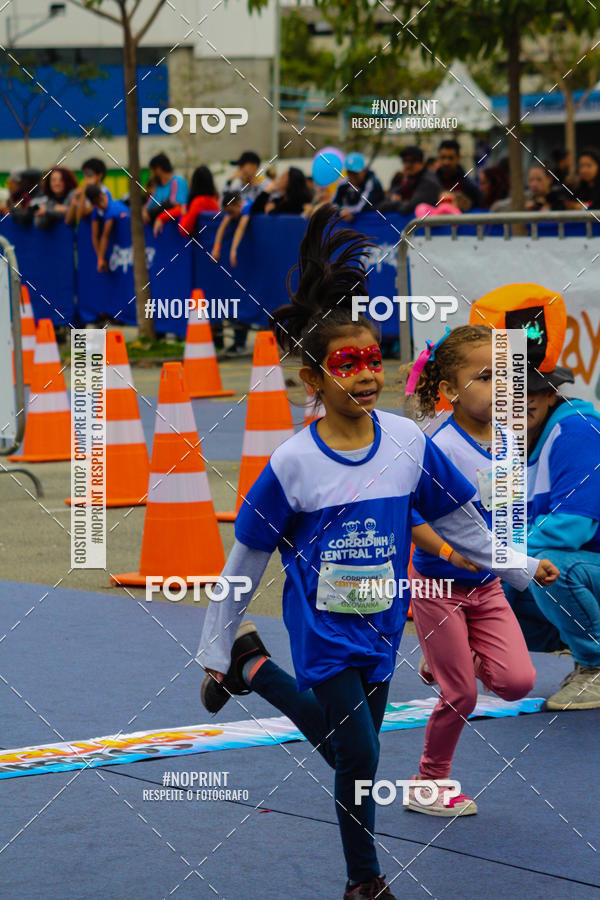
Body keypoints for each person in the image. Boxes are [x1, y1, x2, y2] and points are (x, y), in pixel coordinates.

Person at [196, 204, 559, 897]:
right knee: (359, 753)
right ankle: (365, 883)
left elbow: (459, 519)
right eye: (348, 363)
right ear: (313, 381)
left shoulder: (407, 441)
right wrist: (213, 639)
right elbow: (243, 561)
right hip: (324, 630)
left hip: (383, 624)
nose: (367, 374)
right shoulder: (293, 464)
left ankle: (255, 667)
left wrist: (510, 563)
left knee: (349, 755)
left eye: (374, 358)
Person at [400, 326, 558, 815]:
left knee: (516, 683)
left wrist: (518, 555)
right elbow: (411, 515)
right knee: (461, 695)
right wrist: (450, 555)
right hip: (439, 585)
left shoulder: (510, 439)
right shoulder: (438, 447)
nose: (503, 387)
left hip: (487, 585)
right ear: (449, 391)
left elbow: (508, 512)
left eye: (507, 375)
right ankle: (429, 782)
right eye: (487, 377)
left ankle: (447, 657)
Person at [501, 353, 600, 710]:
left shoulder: (577, 431)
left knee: (550, 565)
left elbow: (571, 529)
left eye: (531, 391)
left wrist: (496, 554)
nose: (518, 401)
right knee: (492, 579)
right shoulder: (510, 442)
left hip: (582, 565)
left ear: (550, 395)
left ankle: (596, 665)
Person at [210, 191, 251, 355]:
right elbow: (223, 226)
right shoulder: (232, 212)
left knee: (245, 301)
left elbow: (241, 228)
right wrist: (217, 248)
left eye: (231, 211)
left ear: (238, 204)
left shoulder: (246, 208)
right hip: (238, 270)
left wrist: (233, 251)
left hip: (247, 264)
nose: (229, 215)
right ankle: (235, 340)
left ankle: (240, 342)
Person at [153, 165, 219, 237]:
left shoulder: (199, 202)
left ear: (194, 183)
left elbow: (184, 230)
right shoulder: (213, 200)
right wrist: (162, 217)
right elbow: (182, 210)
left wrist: (184, 214)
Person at [378, 146, 440, 215]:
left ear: (422, 163)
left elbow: (408, 208)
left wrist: (397, 202)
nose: (407, 165)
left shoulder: (429, 181)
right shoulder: (408, 180)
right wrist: (402, 202)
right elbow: (382, 206)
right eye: (405, 161)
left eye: (412, 161)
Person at [85, 183, 130, 272]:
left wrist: (100, 259)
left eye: (101, 200)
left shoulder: (113, 209)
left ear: (102, 195)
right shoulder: (95, 211)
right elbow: (95, 236)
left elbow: (105, 235)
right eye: (97, 203)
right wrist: (100, 259)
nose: (101, 205)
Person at [332, 152, 384, 221]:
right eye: (349, 172)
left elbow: (364, 206)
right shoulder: (343, 184)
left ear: (364, 170)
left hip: (373, 224)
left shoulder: (372, 183)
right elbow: (334, 204)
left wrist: (347, 211)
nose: (352, 176)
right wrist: (340, 211)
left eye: (355, 173)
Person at [435, 139, 482, 210]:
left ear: (458, 158)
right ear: (438, 158)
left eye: (450, 158)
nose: (446, 162)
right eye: (443, 157)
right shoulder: (431, 182)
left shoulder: (469, 185)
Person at [142, 153, 188, 224]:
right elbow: (147, 207)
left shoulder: (177, 182)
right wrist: (145, 212)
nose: (151, 176)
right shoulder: (158, 187)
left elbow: (177, 206)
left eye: (152, 172)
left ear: (158, 170)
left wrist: (158, 216)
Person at [65, 158, 111, 226]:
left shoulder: (103, 192)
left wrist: (84, 191)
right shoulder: (83, 192)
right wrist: (75, 198)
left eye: (89, 173)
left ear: (99, 175)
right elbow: (68, 221)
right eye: (84, 173)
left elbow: (80, 216)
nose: (86, 177)